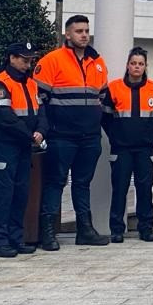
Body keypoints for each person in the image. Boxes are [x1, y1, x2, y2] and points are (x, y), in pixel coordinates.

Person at [35, 14, 109, 250]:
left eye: (86, 31)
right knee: (55, 183)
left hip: (90, 136)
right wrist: (45, 130)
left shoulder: (98, 62)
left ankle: (85, 230)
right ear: (67, 34)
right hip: (61, 136)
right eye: (79, 31)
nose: (84, 35)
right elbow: (39, 100)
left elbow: (102, 98)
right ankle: (47, 233)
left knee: (82, 183)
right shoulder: (52, 60)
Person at [0, 41, 46, 257]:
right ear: (12, 58)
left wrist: (41, 131)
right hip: (4, 146)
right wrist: (29, 135)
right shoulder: (0, 84)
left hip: (23, 147)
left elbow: (41, 112)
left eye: (30, 60)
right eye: (24, 59)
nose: (28, 64)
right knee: (3, 195)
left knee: (20, 194)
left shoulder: (31, 84)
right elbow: (5, 118)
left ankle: (16, 239)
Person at [100, 47, 153, 243]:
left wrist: (146, 132)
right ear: (127, 65)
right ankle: (117, 230)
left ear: (145, 66)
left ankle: (146, 229)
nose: (137, 67)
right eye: (133, 63)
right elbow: (105, 117)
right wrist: (117, 135)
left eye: (141, 64)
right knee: (119, 189)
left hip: (145, 148)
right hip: (121, 148)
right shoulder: (114, 88)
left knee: (145, 188)